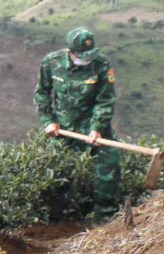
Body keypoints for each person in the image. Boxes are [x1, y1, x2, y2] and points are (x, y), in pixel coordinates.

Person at [35, 26, 121, 221]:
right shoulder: (52, 63)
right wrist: (48, 121)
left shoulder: (102, 64)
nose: (86, 58)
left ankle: (105, 217)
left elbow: (105, 100)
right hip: (63, 130)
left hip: (94, 128)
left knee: (109, 164)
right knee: (56, 172)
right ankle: (61, 219)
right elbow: (42, 92)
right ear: (70, 52)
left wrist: (97, 128)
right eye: (82, 54)